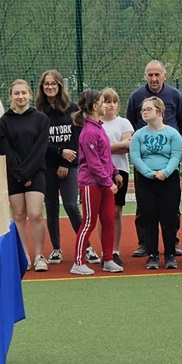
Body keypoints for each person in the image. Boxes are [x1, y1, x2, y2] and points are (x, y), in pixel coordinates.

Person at [125, 62, 182, 261]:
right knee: (145, 211)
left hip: (168, 172)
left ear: (164, 75)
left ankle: (172, 246)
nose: (153, 78)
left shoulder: (175, 96)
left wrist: (166, 170)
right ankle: (146, 246)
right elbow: (130, 125)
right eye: (150, 75)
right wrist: (147, 171)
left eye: (157, 74)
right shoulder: (135, 97)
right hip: (145, 173)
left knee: (170, 211)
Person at [68, 89, 122, 274]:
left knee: (108, 220)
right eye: (102, 102)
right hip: (92, 184)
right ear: (94, 106)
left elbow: (105, 156)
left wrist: (114, 172)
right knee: (89, 221)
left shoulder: (99, 127)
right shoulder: (89, 132)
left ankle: (108, 259)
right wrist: (109, 182)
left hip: (104, 182)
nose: (106, 105)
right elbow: (93, 163)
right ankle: (78, 262)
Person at [0, 78, 50, 268]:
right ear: (11, 95)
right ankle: (24, 257)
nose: (20, 96)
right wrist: (19, 174)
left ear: (30, 94)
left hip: (35, 173)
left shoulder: (41, 119)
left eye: (23, 93)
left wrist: (27, 174)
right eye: (16, 93)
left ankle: (39, 256)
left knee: (35, 214)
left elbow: (40, 149)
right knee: (18, 215)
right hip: (14, 174)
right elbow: (5, 149)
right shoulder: (4, 120)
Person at [131, 96, 182, 270]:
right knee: (149, 218)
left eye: (148, 109)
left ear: (160, 111)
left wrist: (165, 172)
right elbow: (136, 157)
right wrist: (148, 173)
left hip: (168, 181)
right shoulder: (138, 135)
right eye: (143, 110)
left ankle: (170, 254)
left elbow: (176, 155)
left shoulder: (172, 134)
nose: (144, 112)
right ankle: (152, 255)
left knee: (169, 218)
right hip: (145, 182)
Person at [35, 69, 82, 265]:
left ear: (60, 86)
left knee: (71, 205)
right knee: (51, 206)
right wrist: (58, 152)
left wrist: (65, 161)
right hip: (47, 166)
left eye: (53, 83)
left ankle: (85, 246)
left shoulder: (72, 108)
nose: (50, 87)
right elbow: (39, 142)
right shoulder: (38, 112)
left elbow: (77, 138)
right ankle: (56, 249)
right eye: (46, 84)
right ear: (42, 87)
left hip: (69, 165)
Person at [99, 87, 135, 221]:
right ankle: (105, 242)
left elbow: (127, 147)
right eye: (108, 102)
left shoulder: (124, 123)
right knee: (104, 212)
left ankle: (115, 243)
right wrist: (120, 144)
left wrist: (105, 148)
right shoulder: (96, 124)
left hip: (120, 169)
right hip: (100, 170)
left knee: (116, 211)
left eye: (114, 102)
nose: (111, 105)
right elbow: (95, 151)